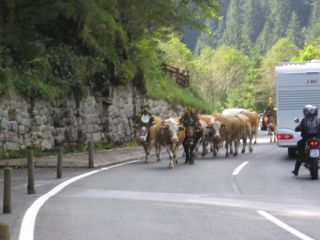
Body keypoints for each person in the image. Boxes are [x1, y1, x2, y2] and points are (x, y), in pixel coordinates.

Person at [292, 105, 320, 176]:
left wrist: (297, 128)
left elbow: (298, 127)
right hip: (317, 139)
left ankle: (296, 170)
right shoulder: (318, 119)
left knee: (300, 152)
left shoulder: (304, 120)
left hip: (306, 139)